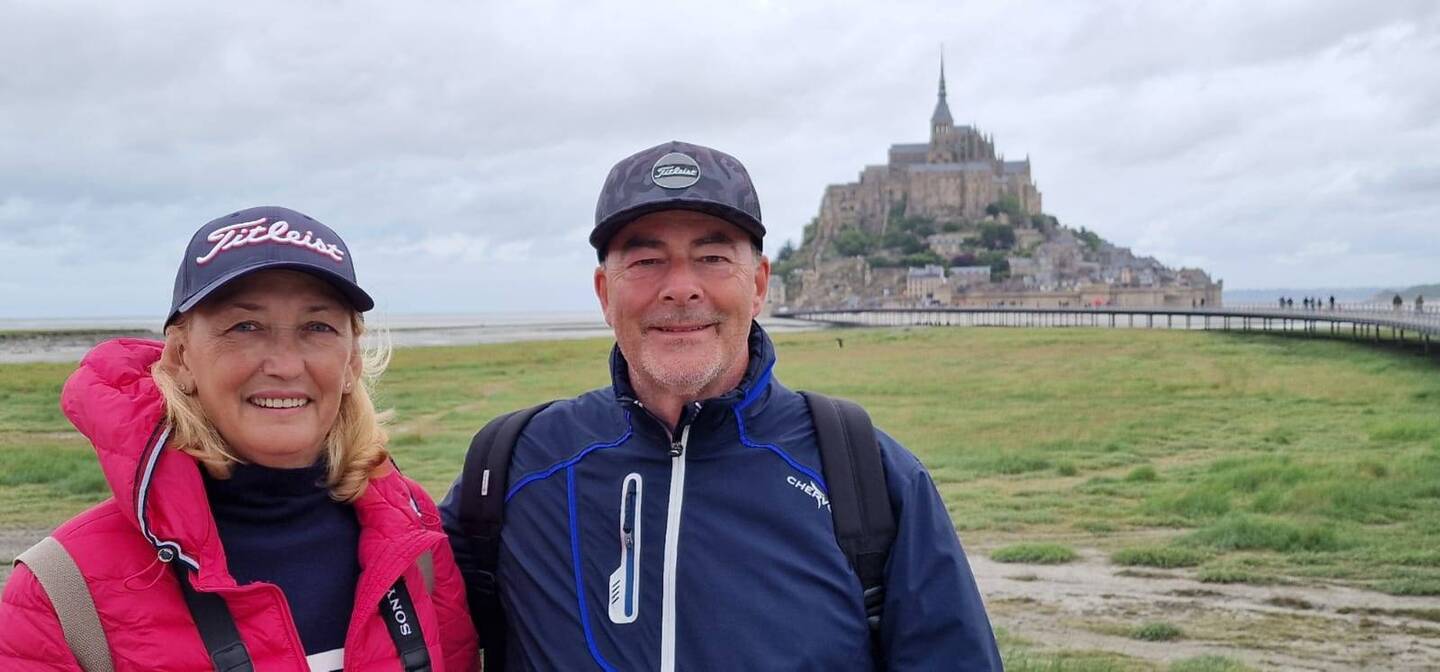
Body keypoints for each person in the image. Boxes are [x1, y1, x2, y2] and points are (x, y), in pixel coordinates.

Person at [442, 141, 1001, 670]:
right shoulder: (513, 467)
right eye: (646, 261)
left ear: (758, 285)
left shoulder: (869, 477)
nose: (681, 287)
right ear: (604, 293)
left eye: (712, 257)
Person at [0, 206, 477, 671]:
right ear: (180, 358)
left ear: (351, 361)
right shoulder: (63, 595)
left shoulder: (411, 534)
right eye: (245, 327)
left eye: (318, 327)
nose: (285, 365)